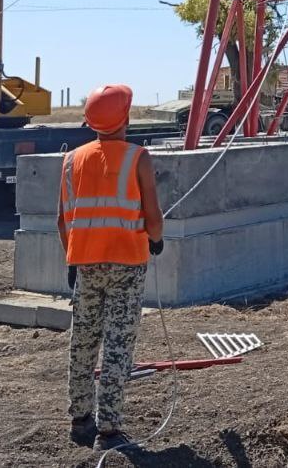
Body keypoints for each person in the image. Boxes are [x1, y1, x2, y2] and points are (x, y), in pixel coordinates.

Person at [59, 83, 164, 449]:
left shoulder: (71, 160)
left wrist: (72, 259)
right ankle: (109, 430)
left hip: (86, 265)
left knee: (83, 341)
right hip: (127, 265)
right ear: (125, 118)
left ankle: (80, 419)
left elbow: (63, 220)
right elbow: (153, 217)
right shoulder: (139, 158)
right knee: (118, 345)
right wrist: (156, 239)